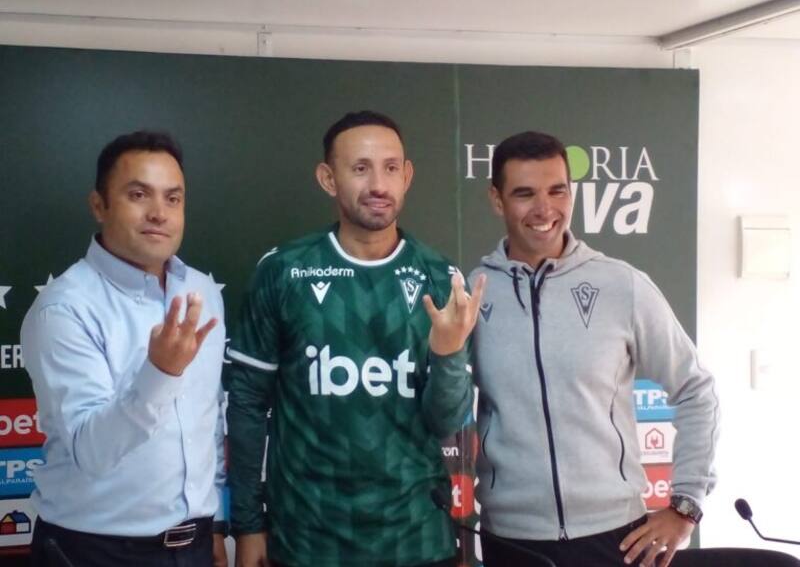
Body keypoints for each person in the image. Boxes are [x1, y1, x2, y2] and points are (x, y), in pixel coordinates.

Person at [226, 110, 485, 567]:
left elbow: (446, 421)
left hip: (417, 539)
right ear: (328, 178)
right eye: (360, 168)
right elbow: (246, 405)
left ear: (407, 176)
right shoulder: (284, 271)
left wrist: (446, 355)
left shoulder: (440, 277)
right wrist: (247, 524)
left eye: (390, 168)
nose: (378, 185)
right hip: (308, 541)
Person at [469, 131, 719, 567]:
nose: (544, 209)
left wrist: (685, 506)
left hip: (615, 537)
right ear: (497, 199)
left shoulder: (622, 285)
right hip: (510, 539)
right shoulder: (472, 292)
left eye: (557, 190)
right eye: (525, 193)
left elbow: (696, 389)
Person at [21, 131, 228, 567]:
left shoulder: (201, 291)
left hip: (195, 544)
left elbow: (206, 419)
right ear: (99, 206)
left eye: (173, 198)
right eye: (138, 194)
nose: (159, 213)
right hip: (95, 550)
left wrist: (213, 523)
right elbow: (92, 453)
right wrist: (161, 373)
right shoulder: (64, 308)